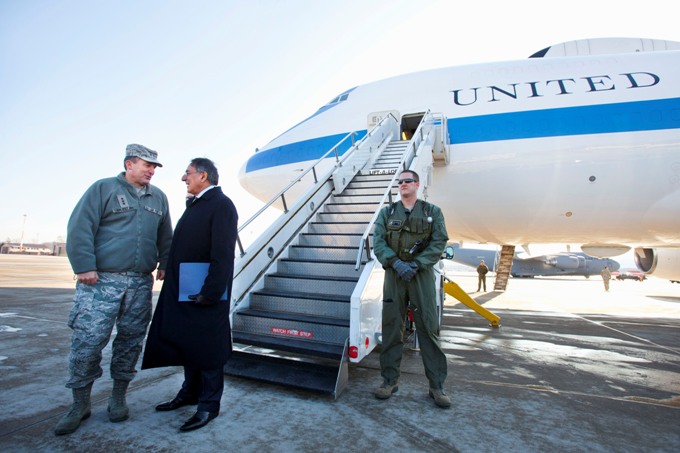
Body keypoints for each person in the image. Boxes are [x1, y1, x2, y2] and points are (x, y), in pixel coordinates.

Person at [56, 144, 172, 436]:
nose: (151, 171)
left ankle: (118, 396)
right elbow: (80, 227)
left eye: (155, 167)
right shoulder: (103, 189)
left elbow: (165, 235)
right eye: (147, 165)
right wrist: (84, 265)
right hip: (100, 282)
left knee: (131, 341)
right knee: (88, 341)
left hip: (139, 283)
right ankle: (79, 403)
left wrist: (165, 263)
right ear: (129, 164)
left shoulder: (158, 197)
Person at [142, 157, 238, 432]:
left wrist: (210, 292)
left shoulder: (221, 205)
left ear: (203, 176)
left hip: (205, 292)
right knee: (189, 343)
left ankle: (208, 405)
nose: (184, 178)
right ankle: (189, 393)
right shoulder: (197, 205)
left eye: (188, 173)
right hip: (187, 290)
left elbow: (223, 254)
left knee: (208, 349)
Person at [372, 170, 450, 408]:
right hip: (395, 276)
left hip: (421, 276)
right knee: (391, 328)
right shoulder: (387, 212)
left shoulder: (432, 212)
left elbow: (439, 241)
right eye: (400, 182)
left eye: (407, 181)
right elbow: (378, 241)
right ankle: (389, 381)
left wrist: (416, 264)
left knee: (428, 328)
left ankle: (437, 387)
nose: (403, 184)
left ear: (417, 184)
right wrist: (395, 263)